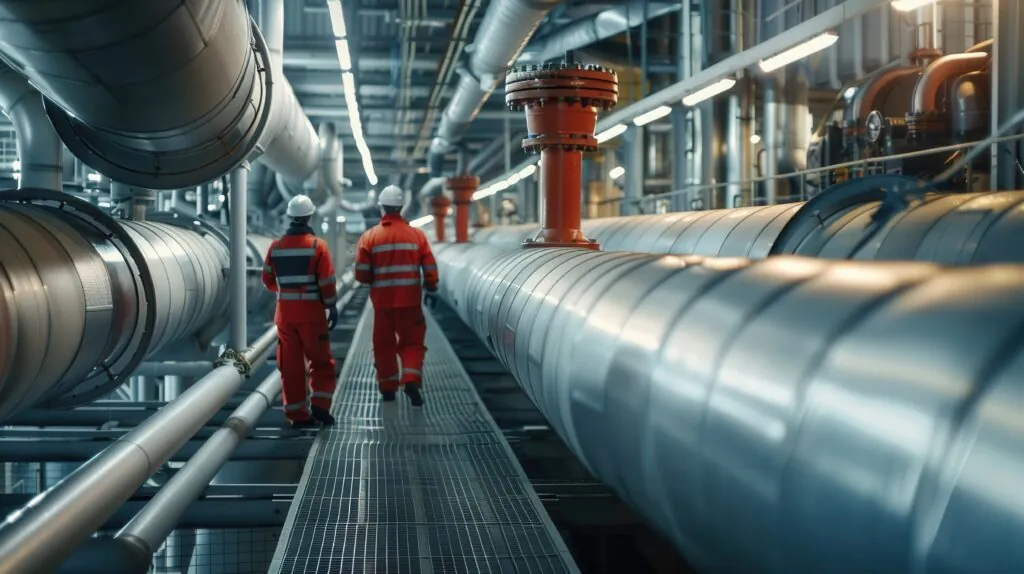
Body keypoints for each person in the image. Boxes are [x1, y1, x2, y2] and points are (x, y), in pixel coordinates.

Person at [354, 185, 438, 406]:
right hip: (410, 302)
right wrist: (431, 288)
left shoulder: (369, 237)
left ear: (381, 208)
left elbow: (361, 275)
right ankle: (410, 378)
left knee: (383, 345)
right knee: (412, 343)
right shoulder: (416, 235)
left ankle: (388, 388)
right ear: (401, 207)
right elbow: (430, 268)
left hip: (382, 304)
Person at [261, 194, 339, 429]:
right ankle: (320, 406)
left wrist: (284, 293)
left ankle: (297, 415)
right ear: (309, 216)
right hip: (312, 315)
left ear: (290, 216)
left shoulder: (275, 247)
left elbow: (267, 279)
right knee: (321, 362)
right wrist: (331, 305)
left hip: (285, 316)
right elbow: (326, 282)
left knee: (291, 366)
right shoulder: (317, 246)